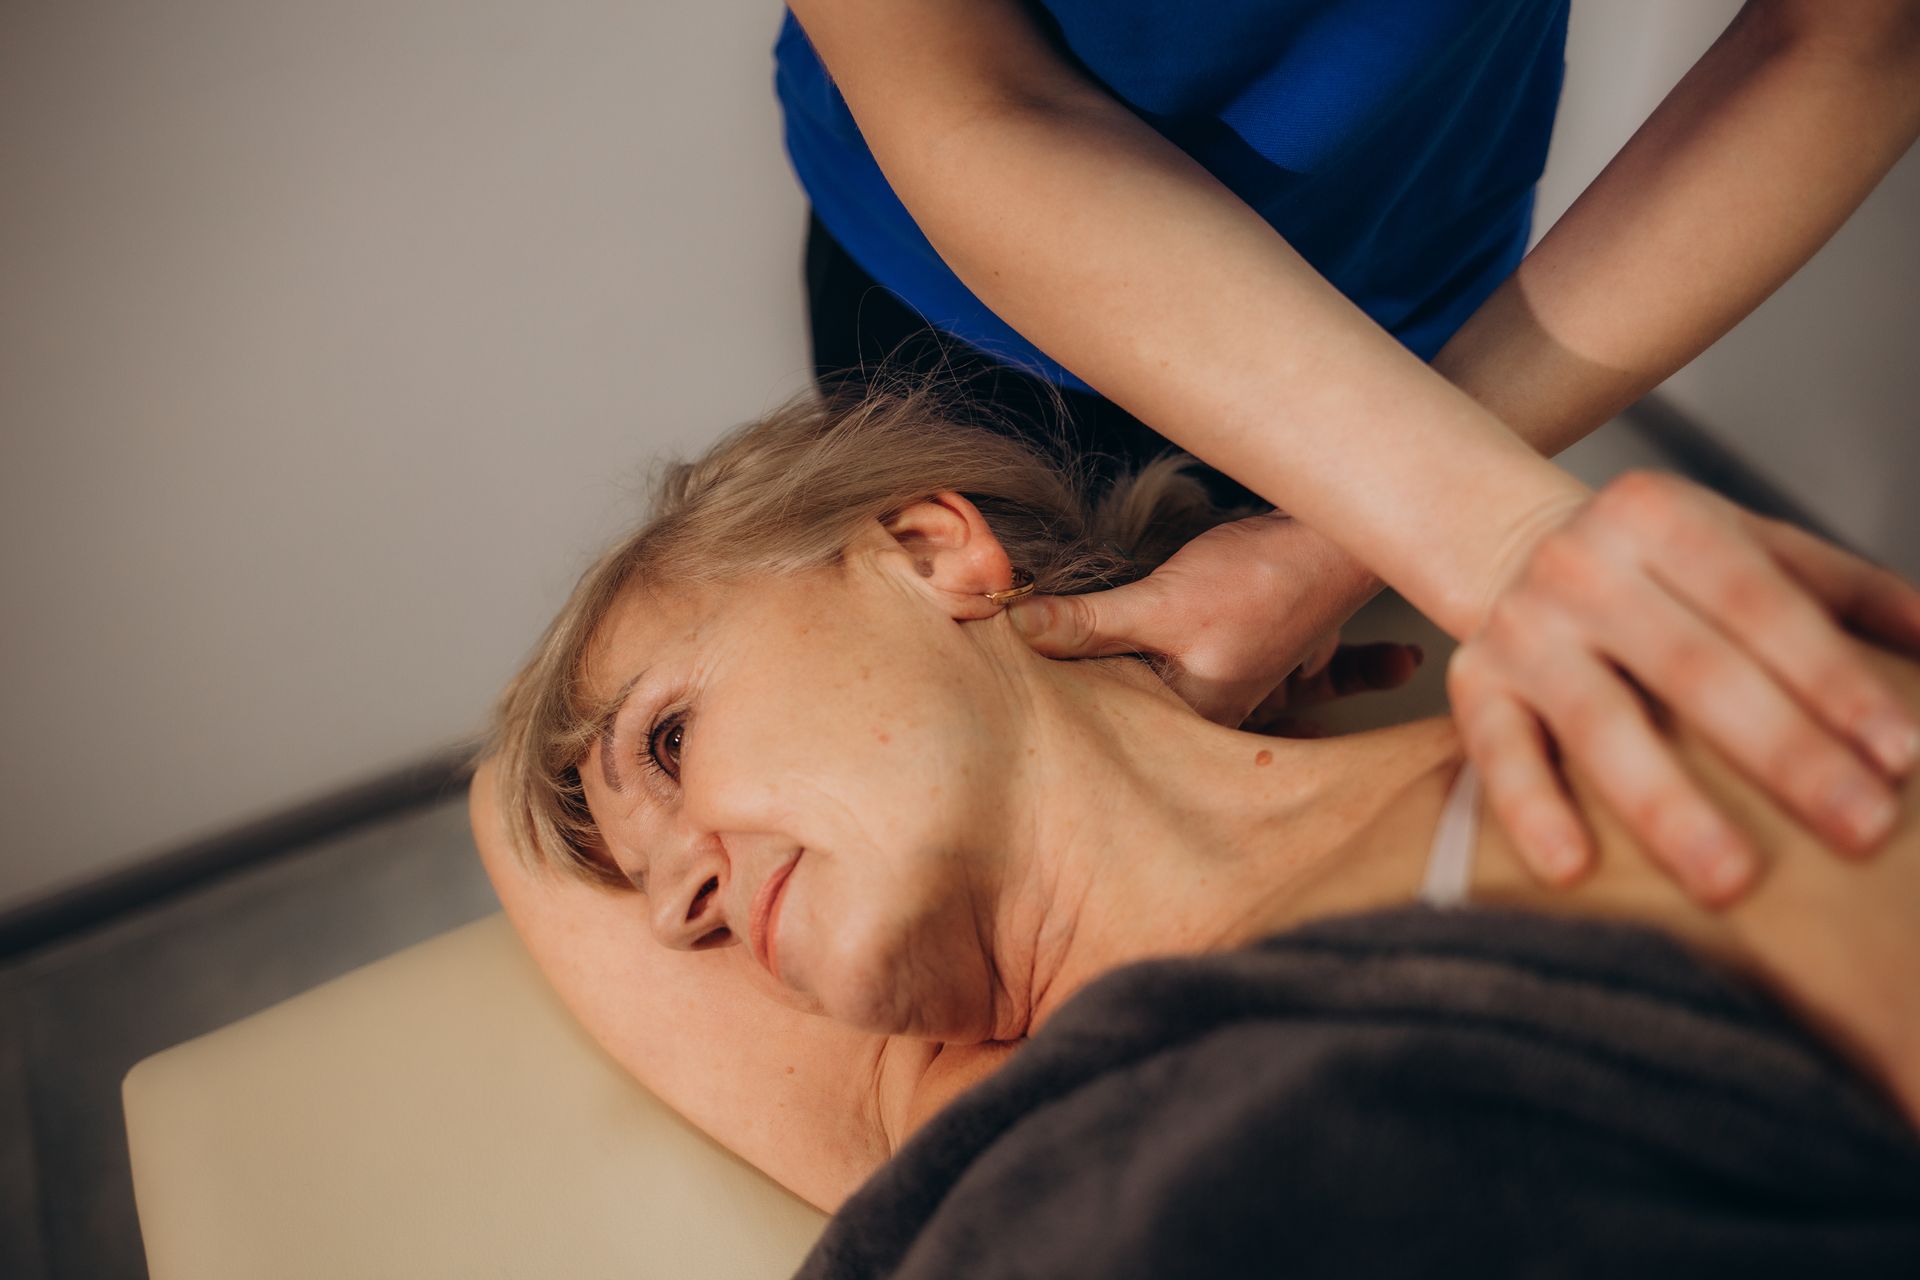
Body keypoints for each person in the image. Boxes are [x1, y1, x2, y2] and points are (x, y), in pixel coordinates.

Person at [470, 383, 1920, 1269]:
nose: (678, 910)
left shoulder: (1609, 764)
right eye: (684, 903)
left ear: (926, 550)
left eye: (669, 738)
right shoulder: (925, 1101)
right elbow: (505, 815)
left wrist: (1329, 545)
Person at [775, 0, 1920, 907]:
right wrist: (1459, 522)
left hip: (1420, 321)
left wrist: (1351, 536)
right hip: (948, 295)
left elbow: (1854, 37)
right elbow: (974, 98)